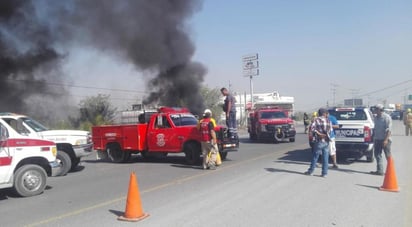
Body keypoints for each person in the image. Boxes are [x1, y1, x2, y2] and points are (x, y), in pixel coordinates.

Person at [304, 108, 331, 177]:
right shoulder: (328, 120)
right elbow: (330, 129)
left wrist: (319, 134)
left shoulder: (316, 120)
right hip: (326, 140)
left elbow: (312, 129)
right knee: (325, 157)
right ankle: (324, 173)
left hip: (319, 141)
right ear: (324, 113)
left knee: (315, 156)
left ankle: (311, 171)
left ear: (319, 113)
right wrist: (325, 134)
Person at [370, 104, 392, 175]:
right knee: (377, 155)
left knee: (388, 155)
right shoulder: (376, 118)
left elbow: (389, 130)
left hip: (385, 139)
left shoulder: (386, 117)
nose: (375, 110)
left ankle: (391, 171)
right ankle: (380, 171)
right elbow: (375, 128)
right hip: (377, 139)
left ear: (380, 110)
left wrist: (386, 140)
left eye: (376, 109)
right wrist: (373, 137)